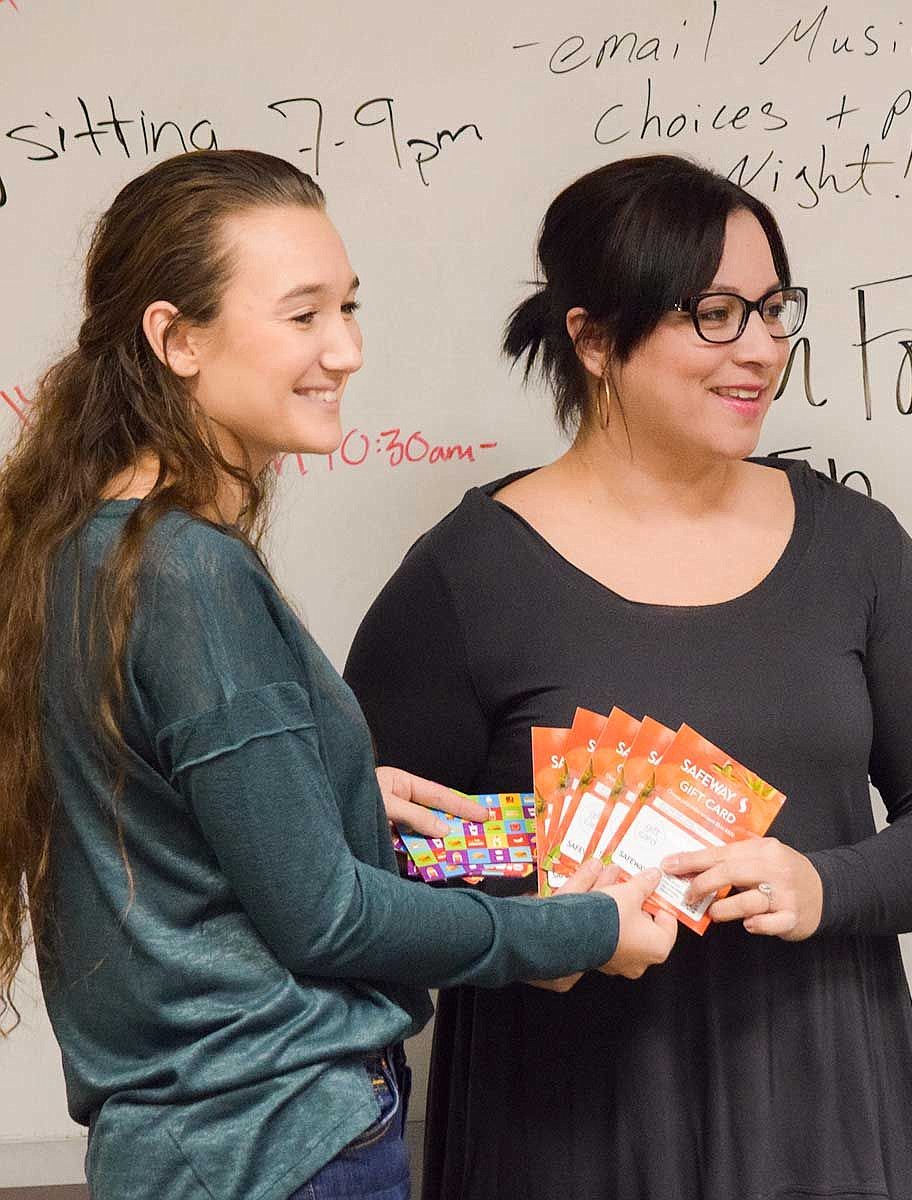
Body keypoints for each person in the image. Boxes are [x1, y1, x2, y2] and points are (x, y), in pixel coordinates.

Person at [0, 149, 680, 1200]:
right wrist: (580, 925)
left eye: (348, 308)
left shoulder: (90, 549)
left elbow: (166, 827)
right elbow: (322, 918)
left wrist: (324, 794)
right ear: (174, 337)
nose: (347, 350)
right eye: (303, 315)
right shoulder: (185, 570)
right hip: (279, 1147)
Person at [344, 154, 912, 1200]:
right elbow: (368, 855)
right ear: (594, 338)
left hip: (824, 1104)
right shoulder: (466, 574)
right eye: (712, 314)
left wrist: (823, 882)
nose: (759, 348)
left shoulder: (853, 546)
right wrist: (544, 892)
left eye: (771, 309)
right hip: (563, 1121)